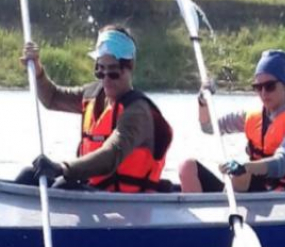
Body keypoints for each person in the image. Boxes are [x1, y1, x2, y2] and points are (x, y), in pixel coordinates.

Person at [16, 25, 173, 192]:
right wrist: (38, 71)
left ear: (130, 67)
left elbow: (110, 155)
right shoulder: (92, 94)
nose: (106, 80)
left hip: (124, 203)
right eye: (100, 72)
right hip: (92, 190)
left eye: (113, 73)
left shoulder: (137, 112)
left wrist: (62, 168)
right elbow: (52, 98)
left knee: (64, 185)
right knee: (29, 175)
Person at [179, 49, 285, 193]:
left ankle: (225, 208)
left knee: (239, 174)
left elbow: (280, 164)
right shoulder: (252, 116)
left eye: (270, 86)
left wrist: (245, 167)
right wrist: (203, 102)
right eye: (258, 87)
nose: (263, 93)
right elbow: (209, 127)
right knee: (188, 167)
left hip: (282, 196)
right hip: (253, 194)